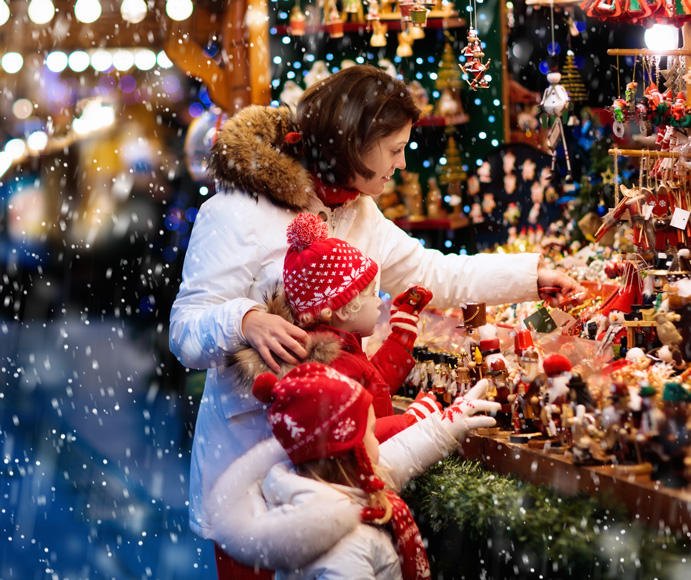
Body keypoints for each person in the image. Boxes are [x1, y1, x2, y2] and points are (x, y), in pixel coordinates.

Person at [169, 64, 580, 575]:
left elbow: (432, 273)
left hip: (336, 470)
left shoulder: (360, 211)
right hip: (251, 462)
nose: (402, 165)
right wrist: (245, 319)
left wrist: (531, 274)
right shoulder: (237, 211)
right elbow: (186, 330)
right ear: (352, 143)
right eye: (393, 150)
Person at [205, 362, 499, 578]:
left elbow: (393, 458)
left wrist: (444, 425)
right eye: (370, 431)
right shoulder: (344, 545)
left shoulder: (318, 487)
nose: (377, 438)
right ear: (348, 451)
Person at [229, 212, 442, 442]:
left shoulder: (341, 352)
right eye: (372, 293)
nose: (379, 301)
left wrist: (401, 335)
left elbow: (375, 385)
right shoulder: (334, 369)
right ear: (343, 309)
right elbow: (358, 436)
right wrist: (411, 422)